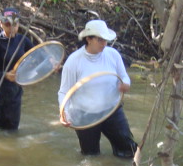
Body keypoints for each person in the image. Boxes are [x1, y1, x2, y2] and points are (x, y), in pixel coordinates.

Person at [58, 19, 137, 158]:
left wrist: (126, 84)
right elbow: (64, 91)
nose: (104, 44)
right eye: (100, 40)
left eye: (106, 40)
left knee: (129, 150)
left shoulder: (113, 54)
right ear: (88, 39)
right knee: (90, 156)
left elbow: (124, 76)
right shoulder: (74, 61)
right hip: (85, 115)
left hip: (112, 110)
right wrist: (63, 112)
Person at [0, 7, 34, 131]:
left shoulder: (23, 40)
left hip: (14, 92)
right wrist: (5, 75)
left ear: (18, 24)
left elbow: (38, 56)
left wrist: (51, 63)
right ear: (1, 24)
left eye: (14, 24)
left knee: (11, 132)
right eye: (7, 24)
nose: (11, 28)